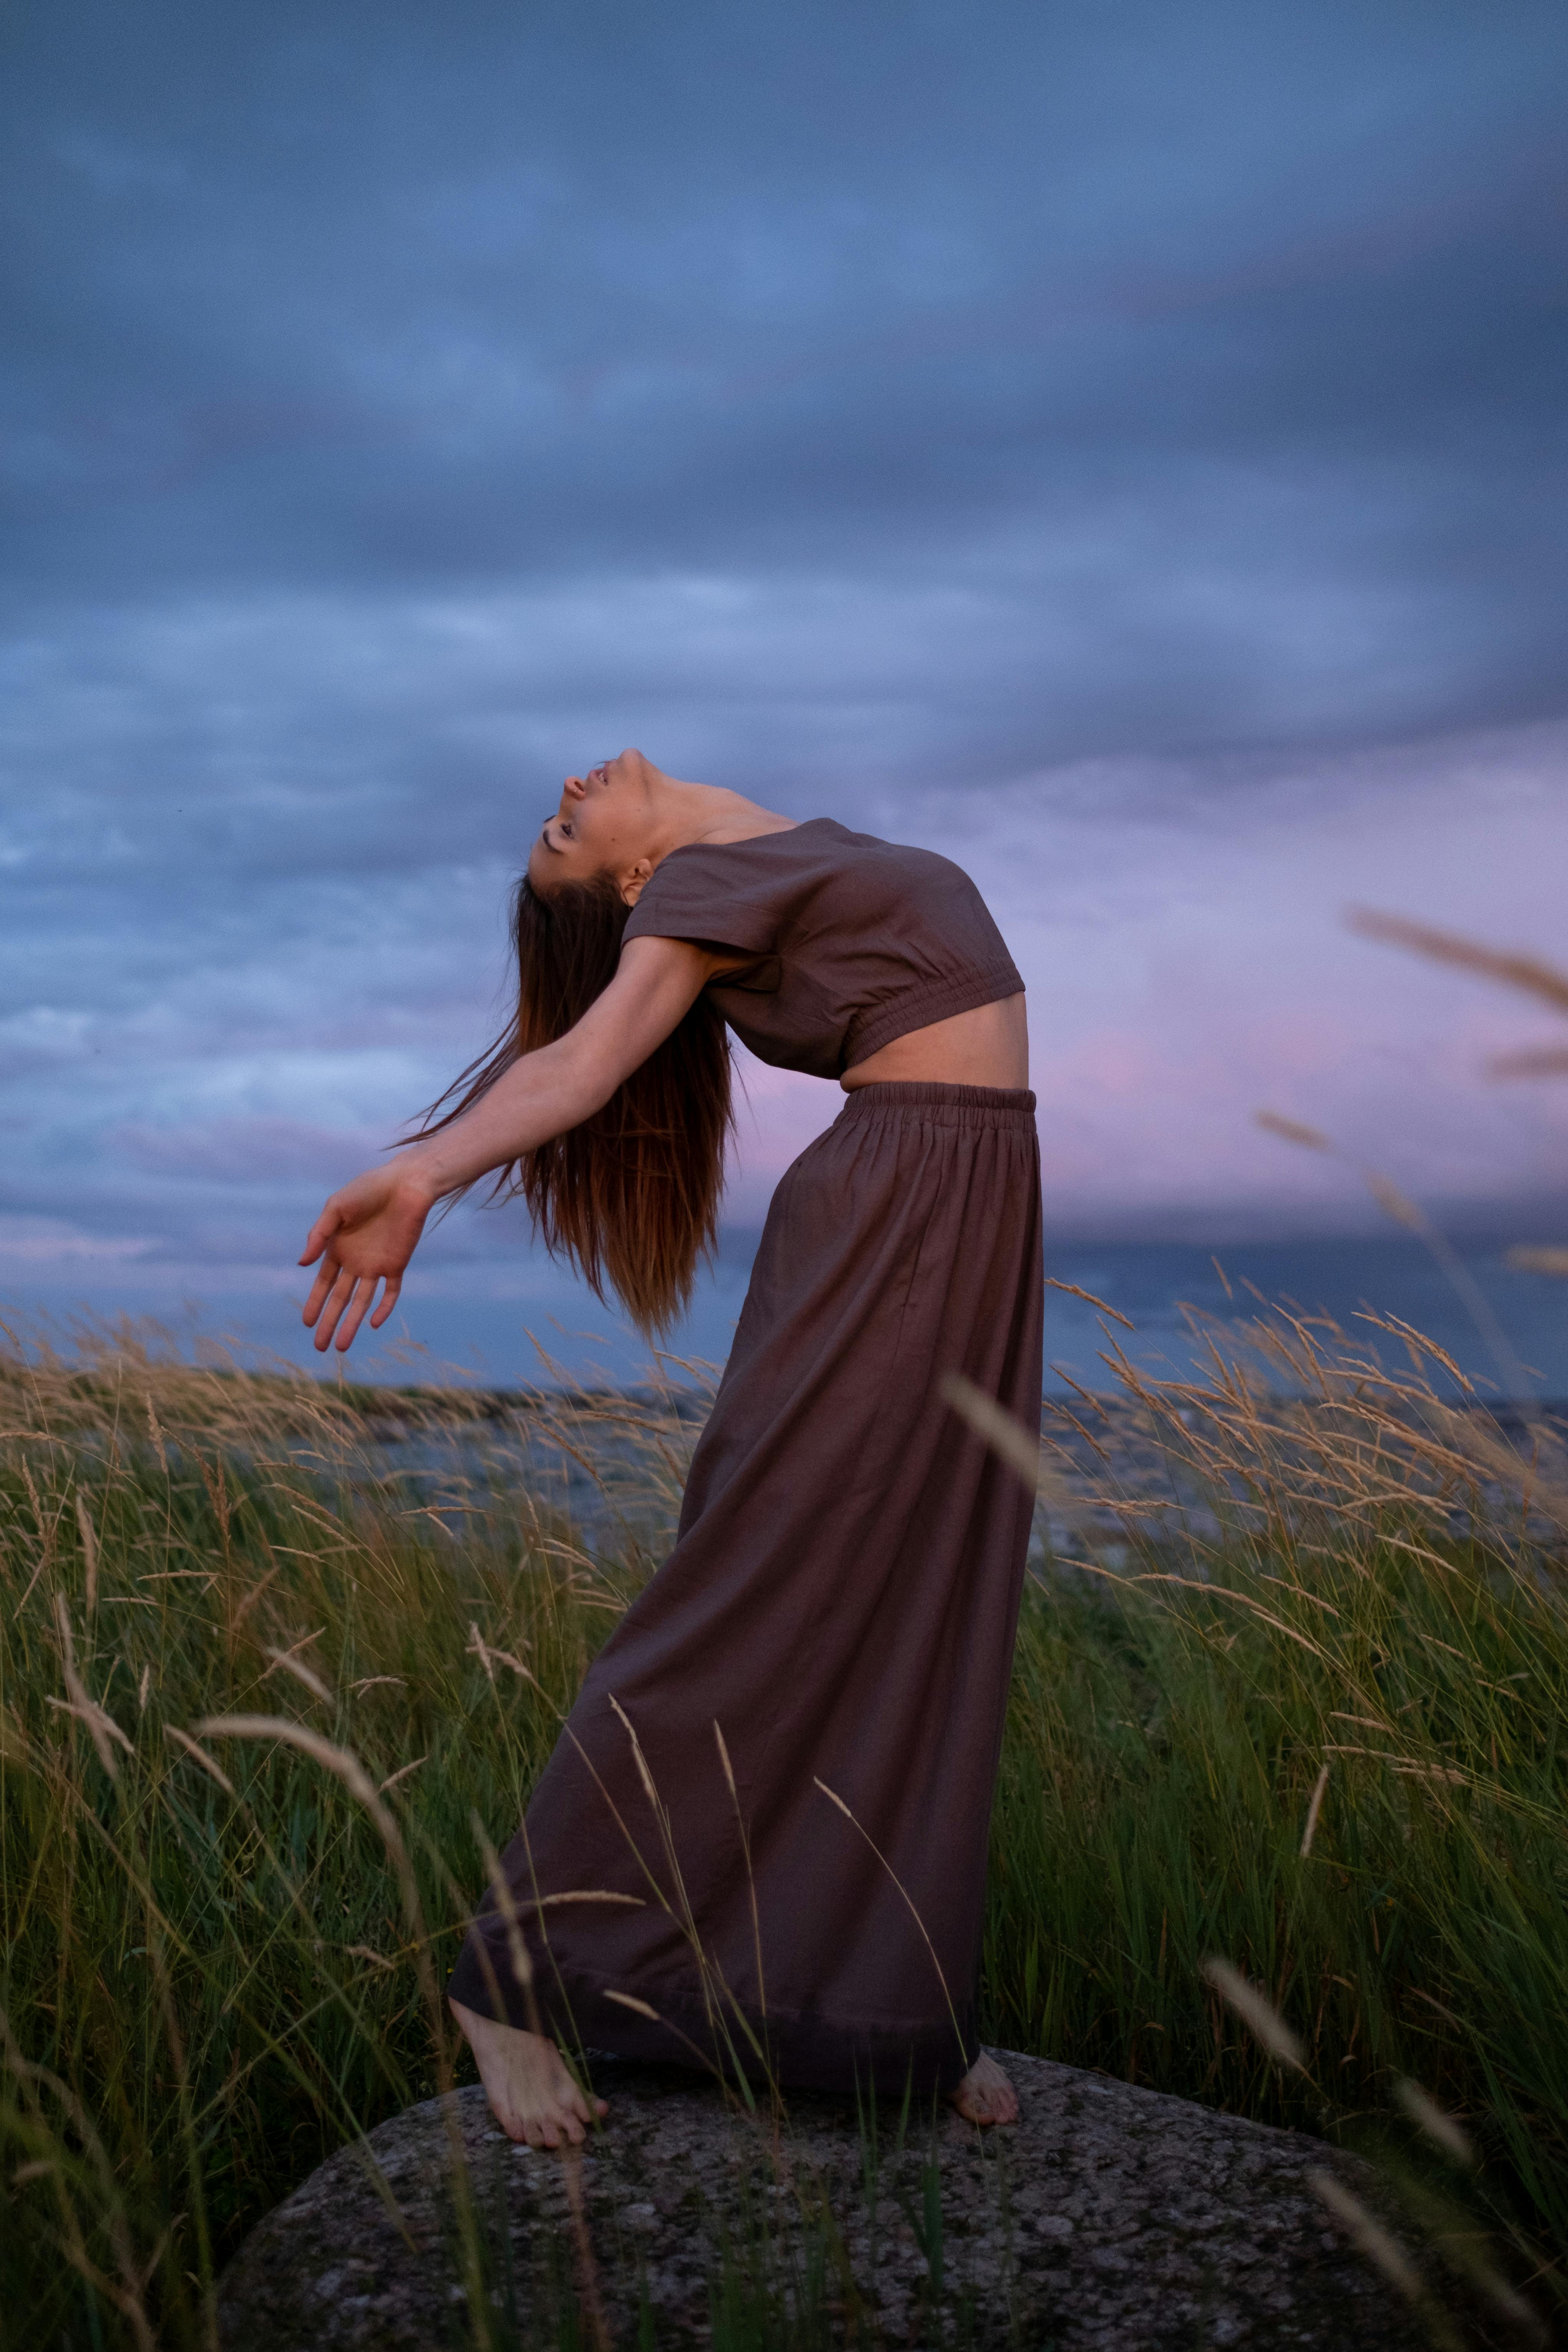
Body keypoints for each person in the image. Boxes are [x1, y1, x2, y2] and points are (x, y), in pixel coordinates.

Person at [299, 749, 1044, 2147]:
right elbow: (581, 1061)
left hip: (974, 1199)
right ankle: (517, 1977)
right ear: (634, 884)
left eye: (551, 817)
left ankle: (884, 2005)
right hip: (900, 1211)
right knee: (757, 1590)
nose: (561, 796)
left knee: (928, 1599)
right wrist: (421, 1171)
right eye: (557, 834)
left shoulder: (776, 854)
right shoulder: (700, 884)